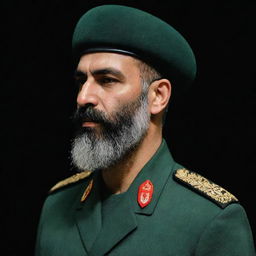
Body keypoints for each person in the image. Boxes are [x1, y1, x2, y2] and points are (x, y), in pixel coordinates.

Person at [35, 4, 255, 256]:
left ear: (157, 97)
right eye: (81, 81)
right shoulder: (57, 207)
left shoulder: (209, 220)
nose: (83, 97)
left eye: (107, 80)